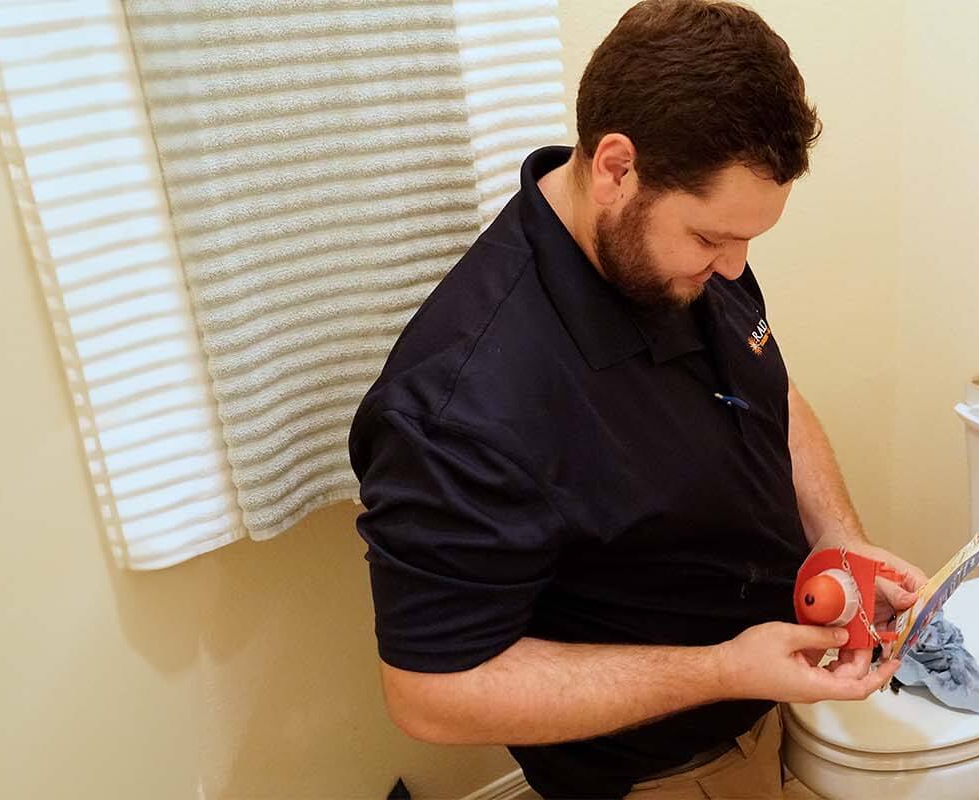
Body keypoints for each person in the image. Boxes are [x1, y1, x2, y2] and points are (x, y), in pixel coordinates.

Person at [347, 1, 925, 796]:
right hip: (658, 769)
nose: (733, 268)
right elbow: (432, 693)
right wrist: (725, 669)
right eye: (712, 239)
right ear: (617, 168)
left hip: (761, 696)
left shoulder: (675, 254)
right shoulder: (463, 407)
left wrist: (839, 540)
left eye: (748, 241)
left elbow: (769, 391)